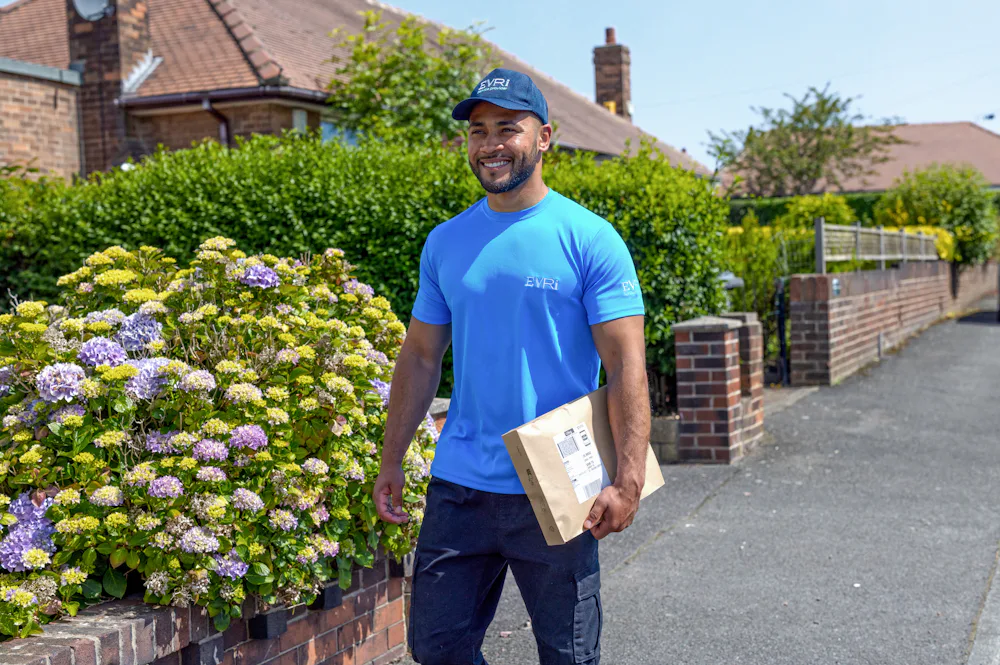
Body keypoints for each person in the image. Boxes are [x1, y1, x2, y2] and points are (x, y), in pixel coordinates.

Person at [373, 68, 651, 665]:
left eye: (508, 128)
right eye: (478, 131)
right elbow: (421, 356)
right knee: (437, 651)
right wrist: (392, 457)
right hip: (460, 486)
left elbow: (627, 365)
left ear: (544, 137)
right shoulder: (446, 242)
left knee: (568, 656)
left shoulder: (590, 238)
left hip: (557, 486)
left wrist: (627, 482)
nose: (490, 143)